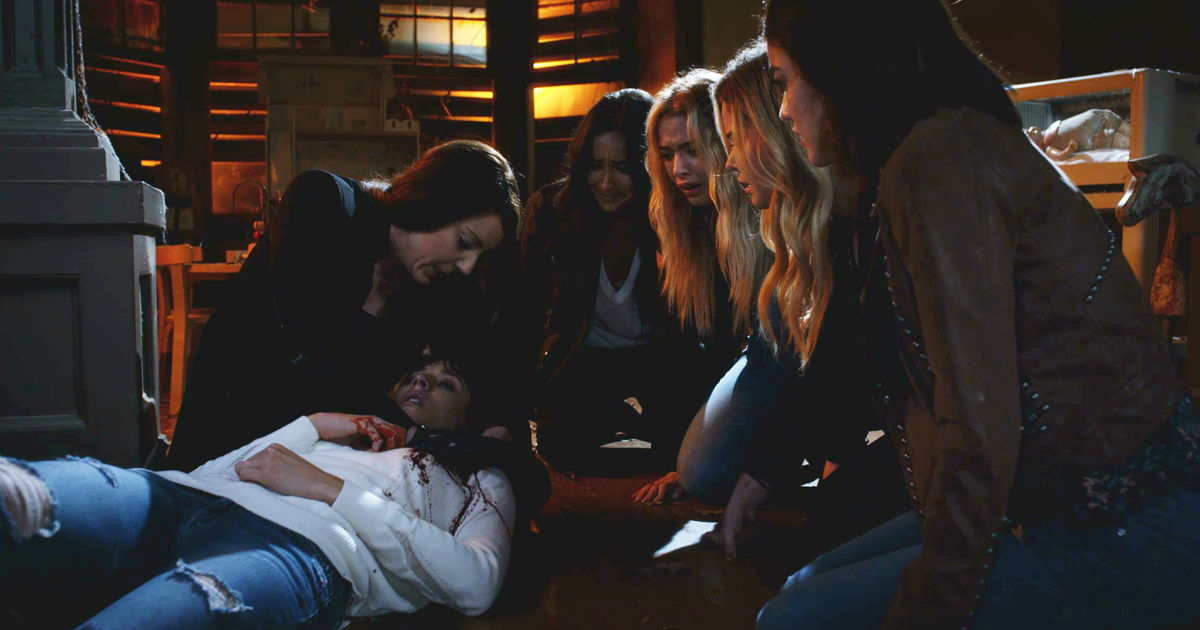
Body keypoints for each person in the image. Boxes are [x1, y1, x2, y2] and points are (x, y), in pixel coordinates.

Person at [757, 1, 1200, 629]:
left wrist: (931, 606)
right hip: (1058, 497)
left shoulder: (936, 162)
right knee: (806, 583)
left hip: (1123, 517)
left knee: (796, 617)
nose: (782, 110)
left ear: (837, 66)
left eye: (783, 80)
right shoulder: (932, 149)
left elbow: (980, 427)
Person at [0, 352, 544, 629]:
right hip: (180, 498)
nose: (422, 381)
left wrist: (331, 490)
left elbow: (476, 584)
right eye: (418, 373)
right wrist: (313, 425)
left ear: (473, 417)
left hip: (297, 548)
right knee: (18, 494)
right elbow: (216, 473)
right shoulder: (351, 434)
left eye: (446, 383)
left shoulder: (476, 478)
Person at [640, 43, 908, 562]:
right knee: (705, 471)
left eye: (726, 142)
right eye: (667, 155)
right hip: (786, 366)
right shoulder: (743, 222)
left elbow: (833, 364)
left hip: (942, 442)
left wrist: (812, 466)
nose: (721, 162)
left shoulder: (844, 220)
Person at [166, 140, 523, 471]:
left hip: (326, 460)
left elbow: (479, 362)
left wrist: (498, 428)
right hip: (237, 427)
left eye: (480, 255)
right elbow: (305, 375)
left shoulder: (428, 281)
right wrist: (373, 314)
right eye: (464, 242)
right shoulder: (325, 203)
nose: (467, 266)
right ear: (432, 203)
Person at [514, 88, 727, 473]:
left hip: (662, 359)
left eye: (623, 167)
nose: (607, 182)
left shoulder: (676, 215)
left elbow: (707, 329)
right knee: (562, 448)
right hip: (583, 358)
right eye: (597, 165)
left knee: (680, 457)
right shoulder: (554, 212)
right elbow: (525, 310)